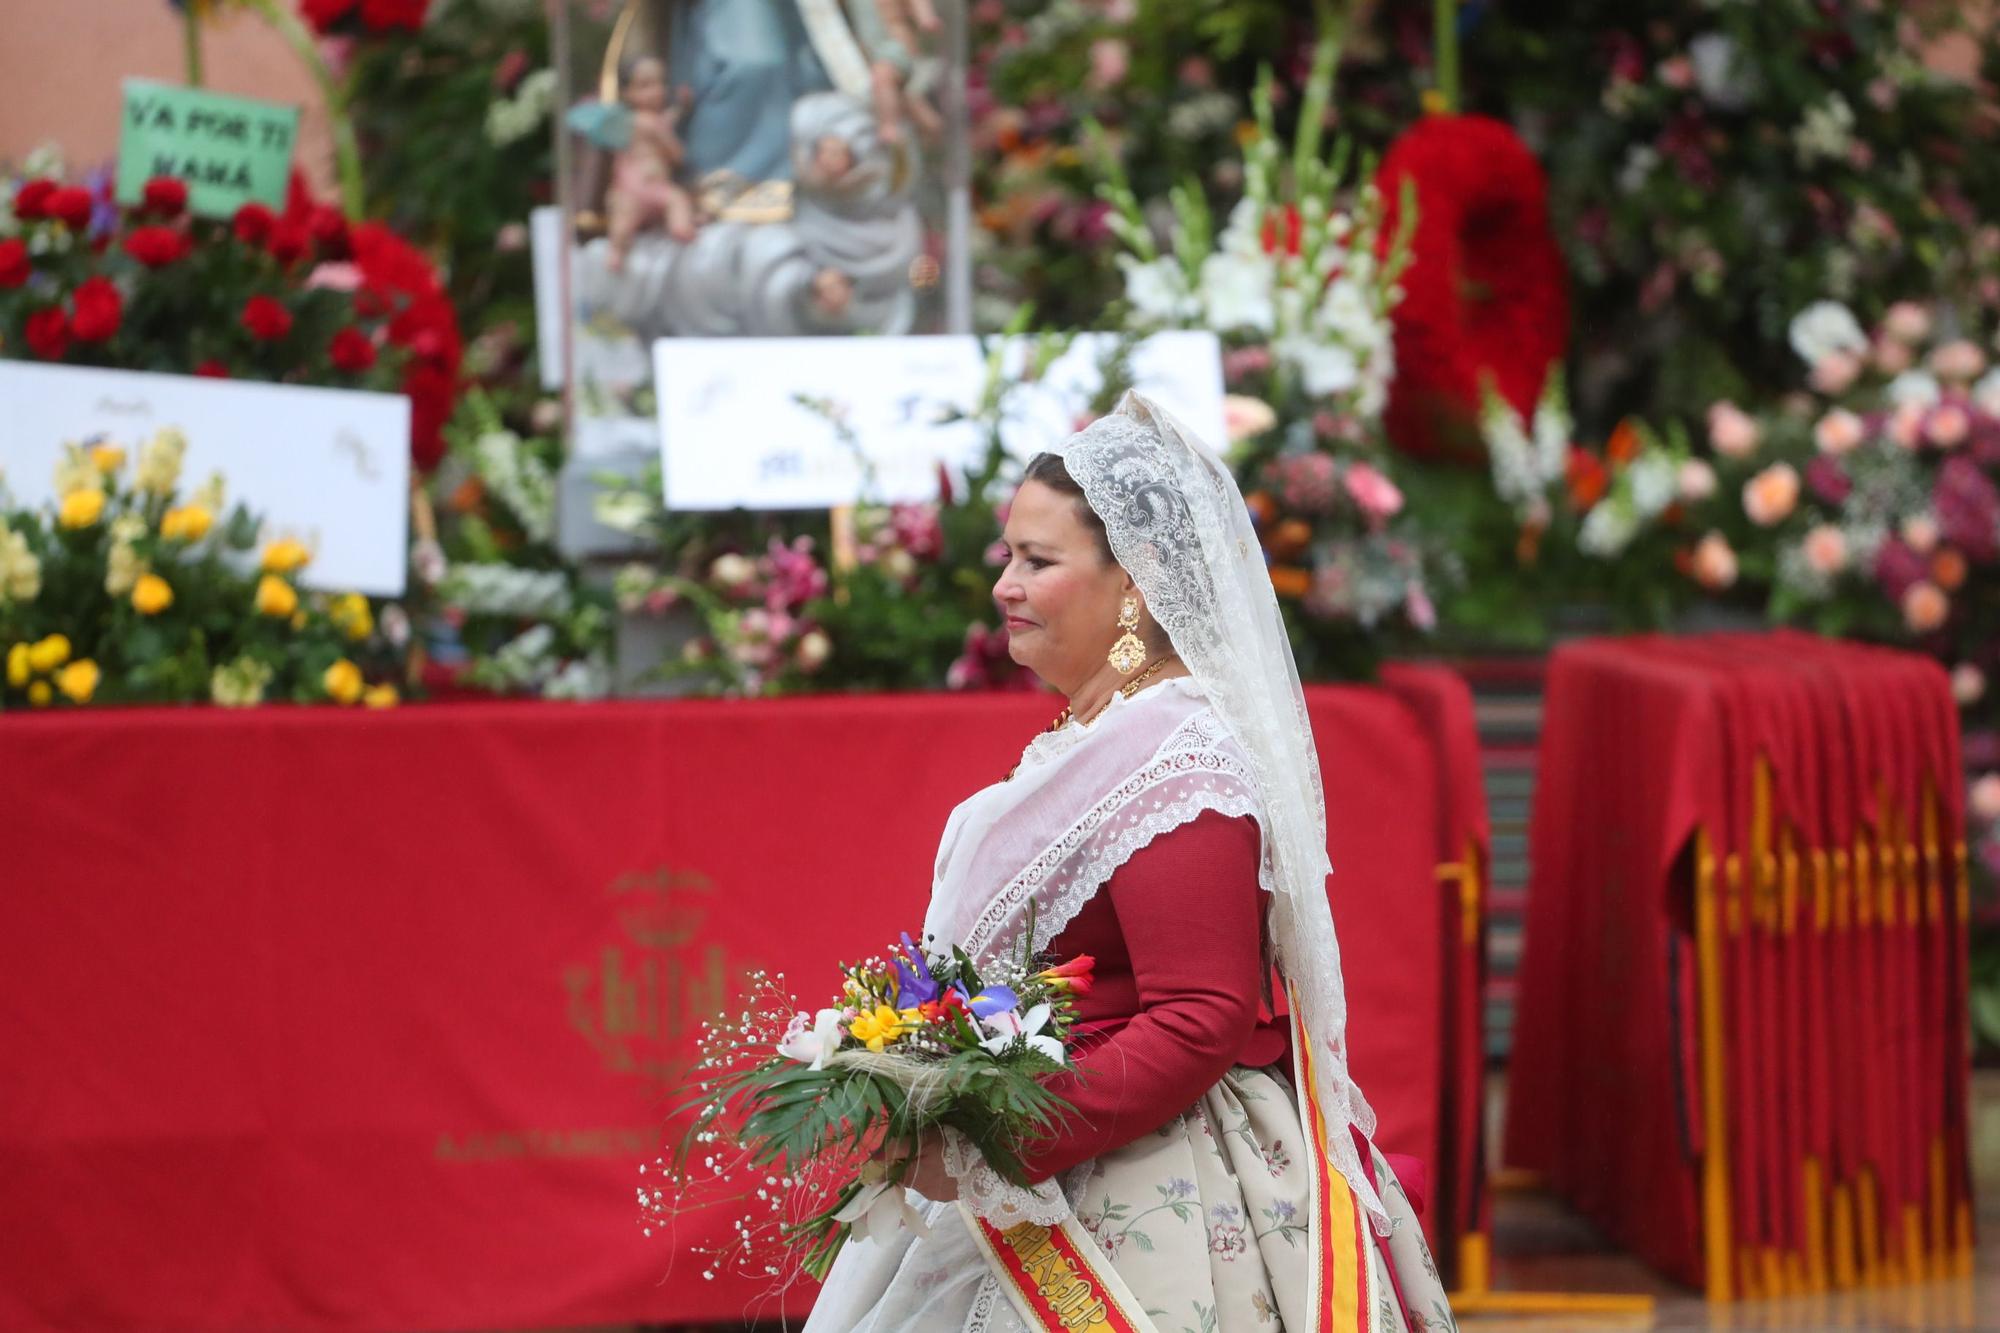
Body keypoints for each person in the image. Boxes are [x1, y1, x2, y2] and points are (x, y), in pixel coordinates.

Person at [803, 393, 1458, 1332]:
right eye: (1006, 557)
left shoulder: (1178, 753)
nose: (1004, 585)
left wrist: (1001, 1140)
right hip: (1055, 1157)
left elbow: (1201, 1015)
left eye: (1038, 560)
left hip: (1143, 1180)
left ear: (1136, 583)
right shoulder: (1095, 733)